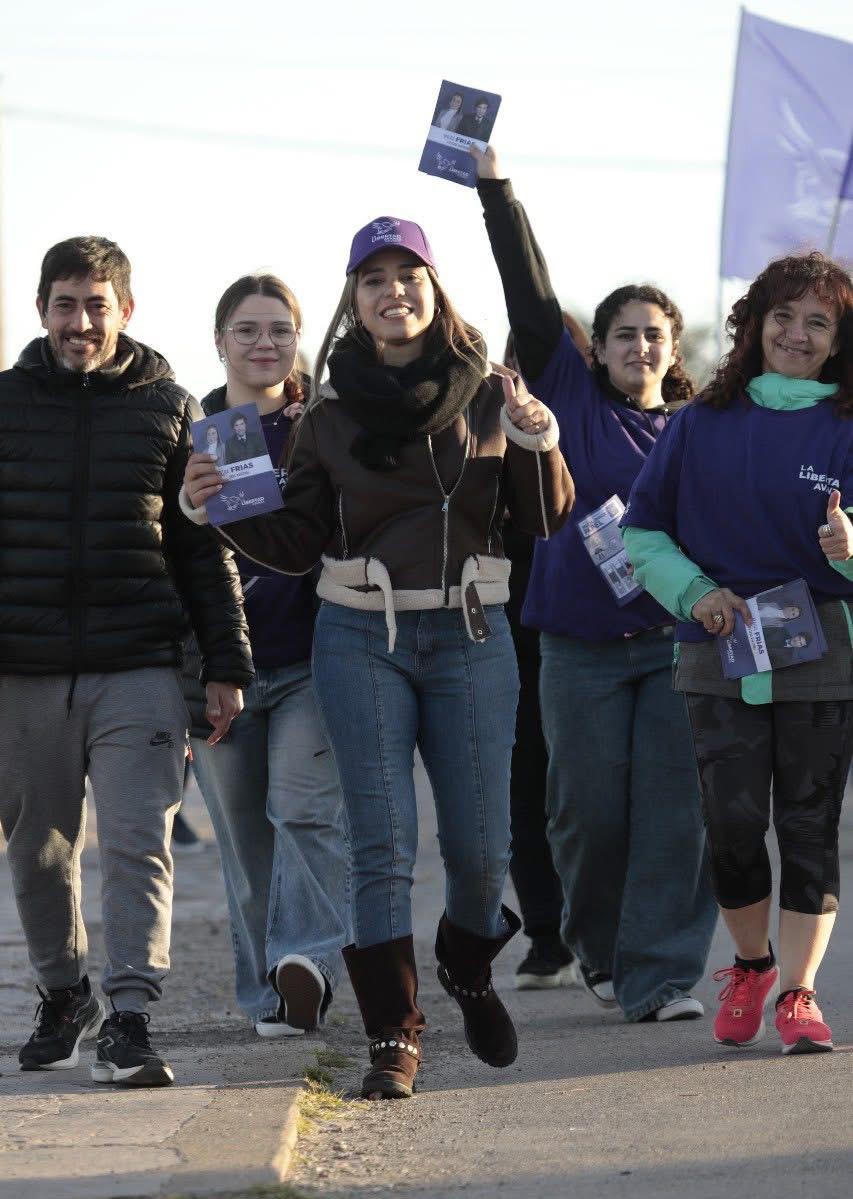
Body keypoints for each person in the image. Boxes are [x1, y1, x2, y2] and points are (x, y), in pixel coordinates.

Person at [182, 216, 574, 1099]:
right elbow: (295, 538)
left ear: (435, 291)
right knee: (380, 843)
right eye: (373, 279)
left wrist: (538, 439)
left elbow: (544, 521)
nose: (393, 290)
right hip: (359, 636)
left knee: (479, 850)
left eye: (409, 275)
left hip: (472, 634)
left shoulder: (489, 393)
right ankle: (391, 1034)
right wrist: (218, 510)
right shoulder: (326, 410)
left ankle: (466, 969)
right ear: (353, 302)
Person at [0, 236, 253, 1087]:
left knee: (141, 844)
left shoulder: (173, 410)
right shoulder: (4, 404)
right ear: (42, 310)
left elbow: (203, 550)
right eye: (66, 305)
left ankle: (133, 1019)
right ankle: (64, 993)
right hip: (24, 670)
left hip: (139, 664)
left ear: (126, 312)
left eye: (96, 305)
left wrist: (226, 664)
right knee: (39, 848)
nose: (81, 322)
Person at [473, 146, 717, 1023]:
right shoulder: (571, 402)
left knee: (673, 818)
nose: (640, 345)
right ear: (599, 349)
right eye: (624, 333)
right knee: (585, 818)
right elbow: (529, 295)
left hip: (675, 650)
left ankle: (661, 976)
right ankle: (599, 947)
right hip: (574, 652)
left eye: (655, 333)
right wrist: (496, 191)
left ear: (671, 346)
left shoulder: (697, 430)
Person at [623, 251, 853, 1054]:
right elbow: (641, 531)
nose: (796, 334)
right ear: (752, 325)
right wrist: (695, 593)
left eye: (816, 322)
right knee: (728, 823)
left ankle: (796, 993)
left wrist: (848, 547)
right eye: (781, 317)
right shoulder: (698, 423)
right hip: (716, 644)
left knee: (808, 824)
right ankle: (749, 966)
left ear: (837, 340)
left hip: (821, 649)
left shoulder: (846, 425)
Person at [185, 273, 350, 1036]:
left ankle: (307, 962)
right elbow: (169, 551)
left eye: (279, 329)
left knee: (306, 812)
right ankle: (268, 996)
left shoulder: (325, 421)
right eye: (247, 330)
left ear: (299, 338)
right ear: (219, 340)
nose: (264, 343)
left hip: (316, 656)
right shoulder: (189, 429)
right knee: (247, 843)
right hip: (222, 668)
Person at [502, 321, 588, 991]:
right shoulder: (486, 436)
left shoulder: (595, 431)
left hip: (585, 637)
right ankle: (545, 936)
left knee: (584, 796)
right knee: (523, 794)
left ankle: (596, 932)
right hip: (505, 639)